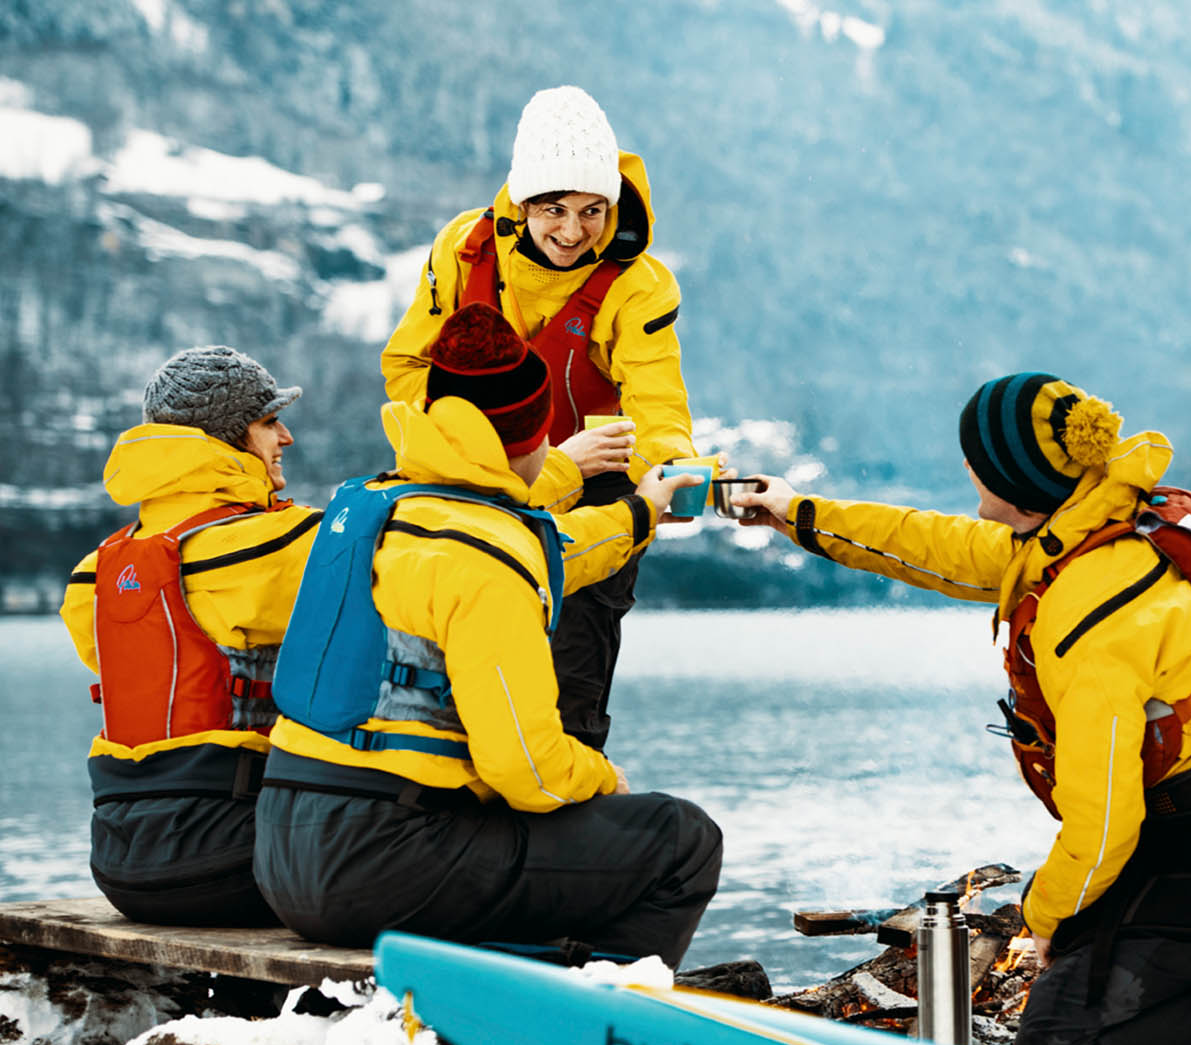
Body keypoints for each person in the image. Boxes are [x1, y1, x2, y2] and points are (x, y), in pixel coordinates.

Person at [731, 374, 1191, 1045]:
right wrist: (798, 513)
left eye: (975, 459)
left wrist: (1042, 920)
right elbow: (937, 546)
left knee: (1059, 1044)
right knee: (1080, 991)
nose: (965, 470)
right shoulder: (1089, 531)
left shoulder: (1091, 611)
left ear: (1014, 478)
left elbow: (1103, 821)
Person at [253, 304, 722, 965]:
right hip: (381, 863)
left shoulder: (375, 509)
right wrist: (602, 777)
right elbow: (525, 771)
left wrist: (641, 509)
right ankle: (589, 1027)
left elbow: (555, 547)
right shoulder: (485, 562)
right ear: (531, 438)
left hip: (283, 854)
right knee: (679, 841)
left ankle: (535, 974)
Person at [380, 84, 697, 751]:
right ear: (522, 202)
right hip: (464, 484)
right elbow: (407, 371)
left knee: (571, 681)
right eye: (554, 208)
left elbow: (657, 401)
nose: (573, 231)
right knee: (438, 677)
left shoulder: (639, 283)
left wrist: (669, 474)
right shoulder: (461, 249)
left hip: (592, 486)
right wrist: (478, 454)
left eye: (592, 210)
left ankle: (571, 791)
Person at [60, 347, 321, 926]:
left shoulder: (96, 571)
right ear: (228, 439)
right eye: (267, 421)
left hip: (121, 866)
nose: (285, 436)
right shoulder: (277, 545)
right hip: (240, 856)